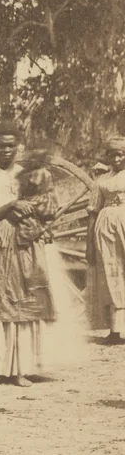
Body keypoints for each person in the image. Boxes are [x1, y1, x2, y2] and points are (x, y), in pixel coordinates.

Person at [0, 123, 81, 386]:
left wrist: (38, 220)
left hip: (26, 244)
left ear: (18, 146)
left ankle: (21, 368)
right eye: (2, 145)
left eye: (11, 145)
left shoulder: (29, 174)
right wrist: (11, 205)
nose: (7, 150)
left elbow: (46, 206)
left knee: (24, 300)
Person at [87, 136, 125, 343]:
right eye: (112, 154)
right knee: (111, 274)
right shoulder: (102, 180)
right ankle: (115, 330)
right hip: (105, 229)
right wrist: (89, 244)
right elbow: (93, 212)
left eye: (120, 154)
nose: (116, 158)